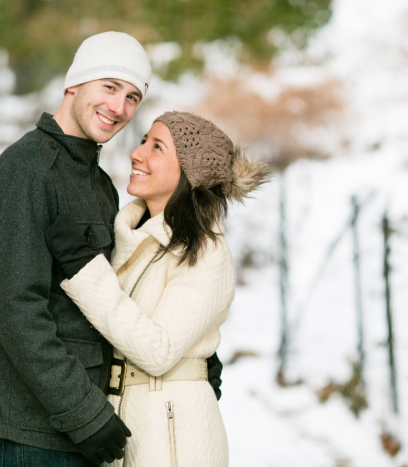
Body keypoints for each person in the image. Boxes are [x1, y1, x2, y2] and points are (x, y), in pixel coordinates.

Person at [0, 32, 224, 467]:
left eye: (133, 96)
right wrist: (83, 413)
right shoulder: (25, 171)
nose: (119, 108)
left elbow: (120, 292)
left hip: (88, 425)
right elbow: (14, 308)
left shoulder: (100, 184)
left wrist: (193, 356)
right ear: (74, 84)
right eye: (109, 86)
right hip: (36, 429)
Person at [45, 111, 272, 466]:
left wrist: (83, 269)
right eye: (142, 142)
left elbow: (158, 350)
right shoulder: (131, 238)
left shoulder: (207, 252)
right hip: (128, 423)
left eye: (157, 147)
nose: (137, 153)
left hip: (172, 434)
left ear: (189, 173)